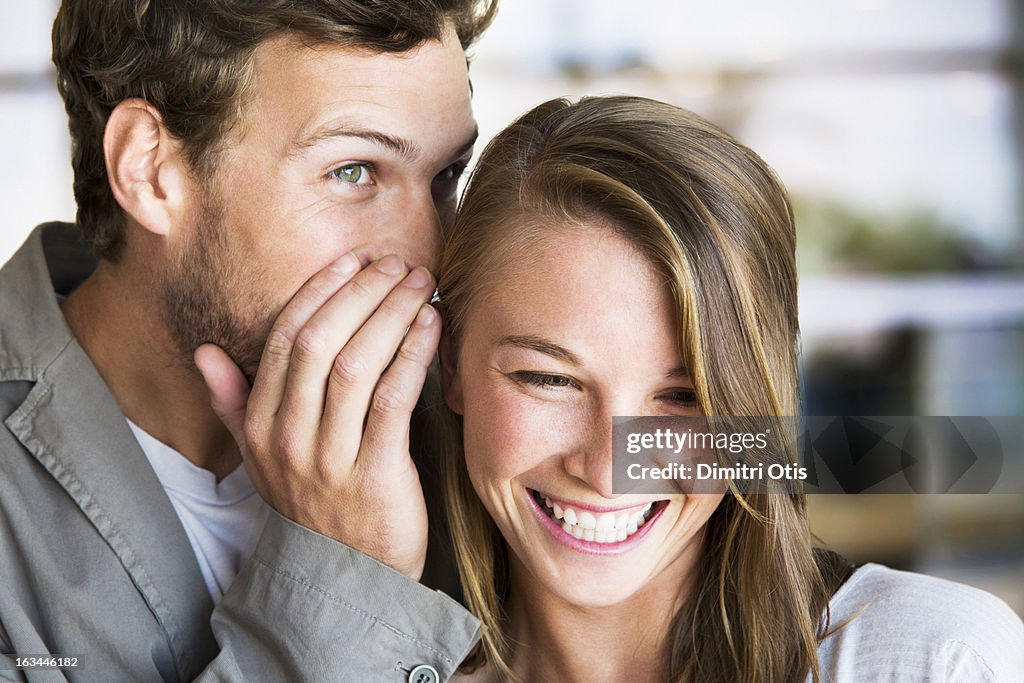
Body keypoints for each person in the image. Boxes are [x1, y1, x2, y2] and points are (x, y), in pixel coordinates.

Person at [434, 95, 1024, 682]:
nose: (612, 467)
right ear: (451, 365)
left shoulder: (937, 660)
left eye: (685, 396)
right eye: (550, 379)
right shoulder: (381, 663)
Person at [0, 1, 496, 680]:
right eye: (353, 170)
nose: (429, 253)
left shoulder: (477, 405)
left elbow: (675, 455)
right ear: (149, 170)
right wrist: (352, 576)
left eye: (445, 176)